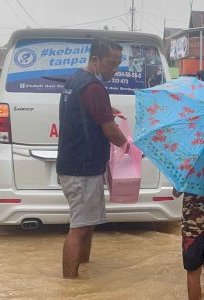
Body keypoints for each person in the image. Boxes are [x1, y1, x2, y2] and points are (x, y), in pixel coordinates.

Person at [56, 37, 127, 278]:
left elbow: (89, 112)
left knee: (87, 224)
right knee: (79, 227)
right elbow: (110, 130)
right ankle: (70, 286)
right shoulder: (93, 87)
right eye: (111, 63)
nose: (114, 70)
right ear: (95, 60)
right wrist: (128, 146)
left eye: (118, 64)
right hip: (81, 169)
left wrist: (109, 110)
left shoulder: (76, 80)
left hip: (77, 165)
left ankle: (83, 274)